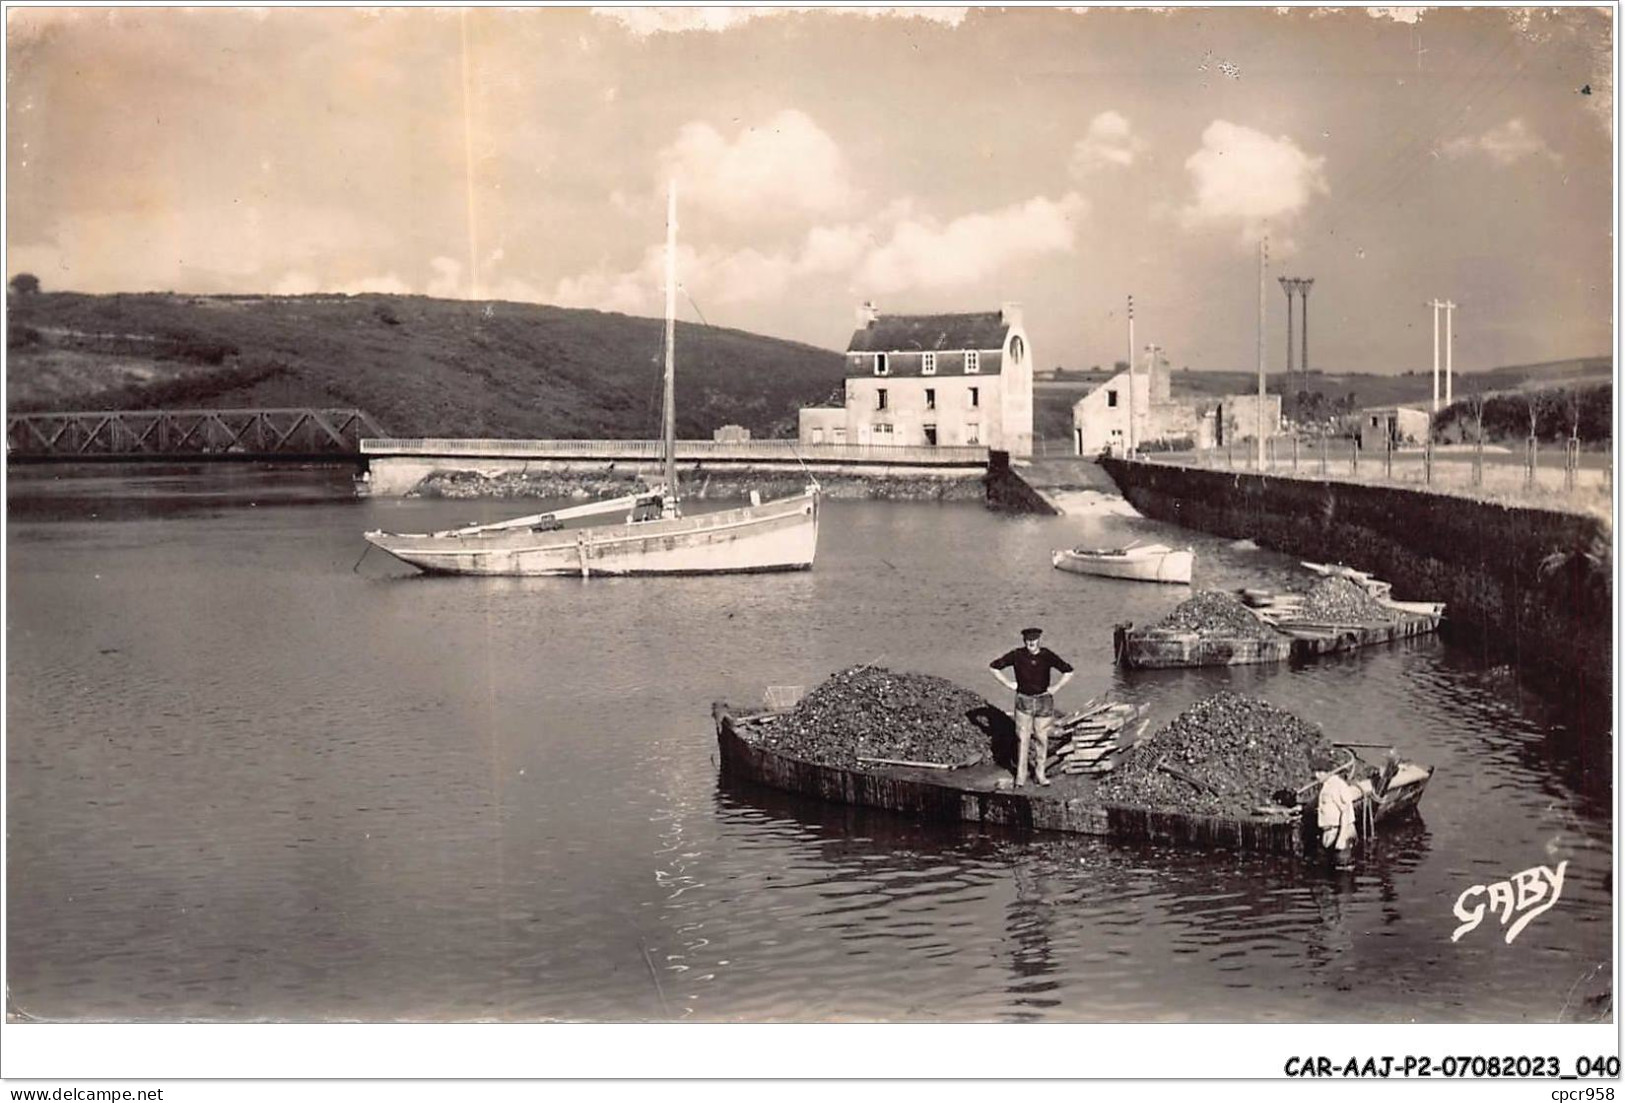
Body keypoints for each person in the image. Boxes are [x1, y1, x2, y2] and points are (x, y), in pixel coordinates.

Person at [989, 627, 1075, 788]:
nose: (1031, 643)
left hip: (1044, 701)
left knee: (1042, 738)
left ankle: (1040, 774)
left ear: (1039, 640)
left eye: (1034, 640)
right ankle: (1020, 777)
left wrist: (1056, 688)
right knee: (1023, 739)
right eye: (1028, 640)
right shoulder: (1017, 655)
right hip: (1023, 701)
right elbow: (993, 667)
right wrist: (1008, 684)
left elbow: (1068, 671)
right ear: (1024, 640)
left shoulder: (1047, 655)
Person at [1313, 751, 1362, 870]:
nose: (1316, 776)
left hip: (1340, 832)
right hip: (1330, 833)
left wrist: (1341, 838)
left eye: (1319, 772)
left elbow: (1345, 812)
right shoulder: (1326, 785)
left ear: (1326, 772)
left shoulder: (1336, 786)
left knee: (1343, 869)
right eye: (1316, 772)